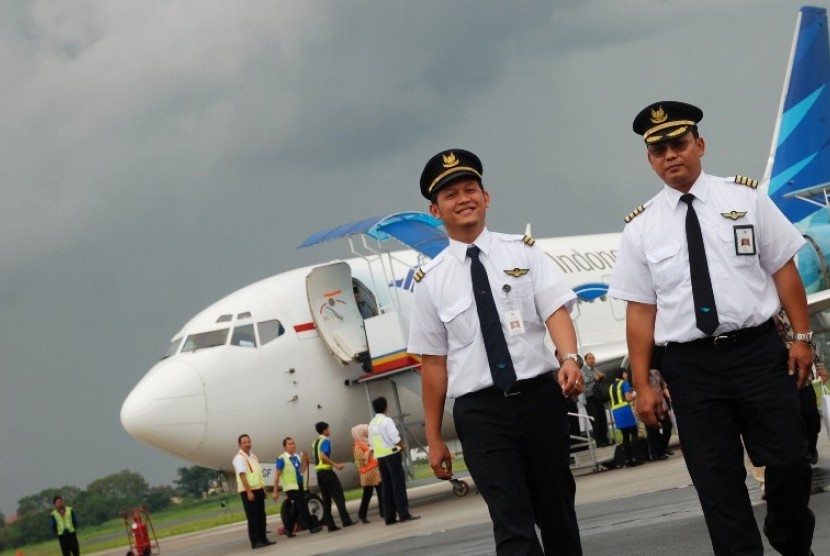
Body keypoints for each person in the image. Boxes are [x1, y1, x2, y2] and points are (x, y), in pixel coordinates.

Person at [608, 101, 815, 555]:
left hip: (758, 352)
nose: (670, 156)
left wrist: (801, 338)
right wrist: (642, 383)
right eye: (659, 150)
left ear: (699, 145)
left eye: (679, 144)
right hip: (692, 367)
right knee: (717, 483)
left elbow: (784, 269)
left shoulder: (745, 200)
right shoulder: (641, 229)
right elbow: (641, 312)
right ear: (650, 160)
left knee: (790, 461)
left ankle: (789, 538)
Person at [408, 148, 583, 555]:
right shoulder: (431, 282)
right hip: (481, 414)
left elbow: (555, 310)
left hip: (539, 400)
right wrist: (434, 438)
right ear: (436, 210)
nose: (463, 198)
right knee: (510, 521)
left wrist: (569, 358)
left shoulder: (523, 253)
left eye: (471, 189)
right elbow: (433, 365)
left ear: (487, 198)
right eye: (451, 195)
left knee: (557, 514)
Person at [368, 396, 420, 525]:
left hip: (380, 458)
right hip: (392, 456)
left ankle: (389, 517)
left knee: (387, 487)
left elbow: (371, 443)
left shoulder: (372, 423)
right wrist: (402, 446)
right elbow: (395, 438)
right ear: (386, 408)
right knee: (398, 485)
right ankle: (403, 513)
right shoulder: (387, 421)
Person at [273, 436, 322, 537]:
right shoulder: (281, 459)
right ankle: (312, 527)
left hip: (300, 486)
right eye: (290, 444)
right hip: (291, 488)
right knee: (303, 507)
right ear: (285, 447)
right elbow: (277, 475)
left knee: (296, 509)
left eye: (293, 443)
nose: (292, 445)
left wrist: (305, 461)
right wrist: (275, 491)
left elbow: (302, 471)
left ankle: (287, 529)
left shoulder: (297, 457)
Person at [233, 434, 275, 549]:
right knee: (253, 517)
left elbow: (258, 474)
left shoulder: (253, 457)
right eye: (244, 443)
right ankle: (255, 541)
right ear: (240, 445)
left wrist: (264, 489)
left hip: (258, 489)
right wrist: (249, 491)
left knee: (262, 515)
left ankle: (263, 539)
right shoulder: (239, 458)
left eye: (248, 442)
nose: (247, 444)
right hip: (248, 491)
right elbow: (242, 475)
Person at [312, 421, 355, 531]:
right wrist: (336, 465)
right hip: (327, 472)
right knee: (339, 496)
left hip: (319, 473)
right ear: (325, 430)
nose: (329, 430)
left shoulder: (315, 442)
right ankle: (346, 520)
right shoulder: (325, 440)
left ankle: (330, 525)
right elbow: (322, 456)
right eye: (328, 428)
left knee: (326, 500)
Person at [352, 423, 384, 523]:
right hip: (367, 474)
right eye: (365, 432)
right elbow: (362, 460)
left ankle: (384, 511)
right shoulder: (358, 446)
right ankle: (362, 514)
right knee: (367, 495)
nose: (367, 434)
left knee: (381, 493)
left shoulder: (367, 443)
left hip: (375, 472)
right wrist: (370, 452)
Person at [609, 370, 641, 467]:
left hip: (616, 412)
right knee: (634, 434)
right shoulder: (624, 383)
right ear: (621, 374)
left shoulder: (611, 386)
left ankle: (628, 459)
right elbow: (627, 398)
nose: (626, 374)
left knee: (625, 437)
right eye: (624, 373)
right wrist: (635, 394)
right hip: (625, 410)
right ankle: (638, 457)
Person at [583, 352, 610, 446]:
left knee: (602, 418)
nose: (592, 360)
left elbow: (600, 377)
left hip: (598, 397)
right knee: (595, 419)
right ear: (585, 360)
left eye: (593, 358)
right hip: (590, 397)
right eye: (590, 358)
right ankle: (599, 442)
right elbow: (584, 380)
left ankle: (605, 440)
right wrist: (593, 377)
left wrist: (602, 376)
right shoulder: (583, 369)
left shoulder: (596, 369)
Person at [645, 368, 672, 460]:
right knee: (653, 431)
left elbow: (663, 387)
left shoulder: (656, 373)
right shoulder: (640, 377)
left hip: (662, 405)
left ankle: (663, 447)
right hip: (649, 407)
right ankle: (659, 454)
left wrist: (669, 397)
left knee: (668, 426)